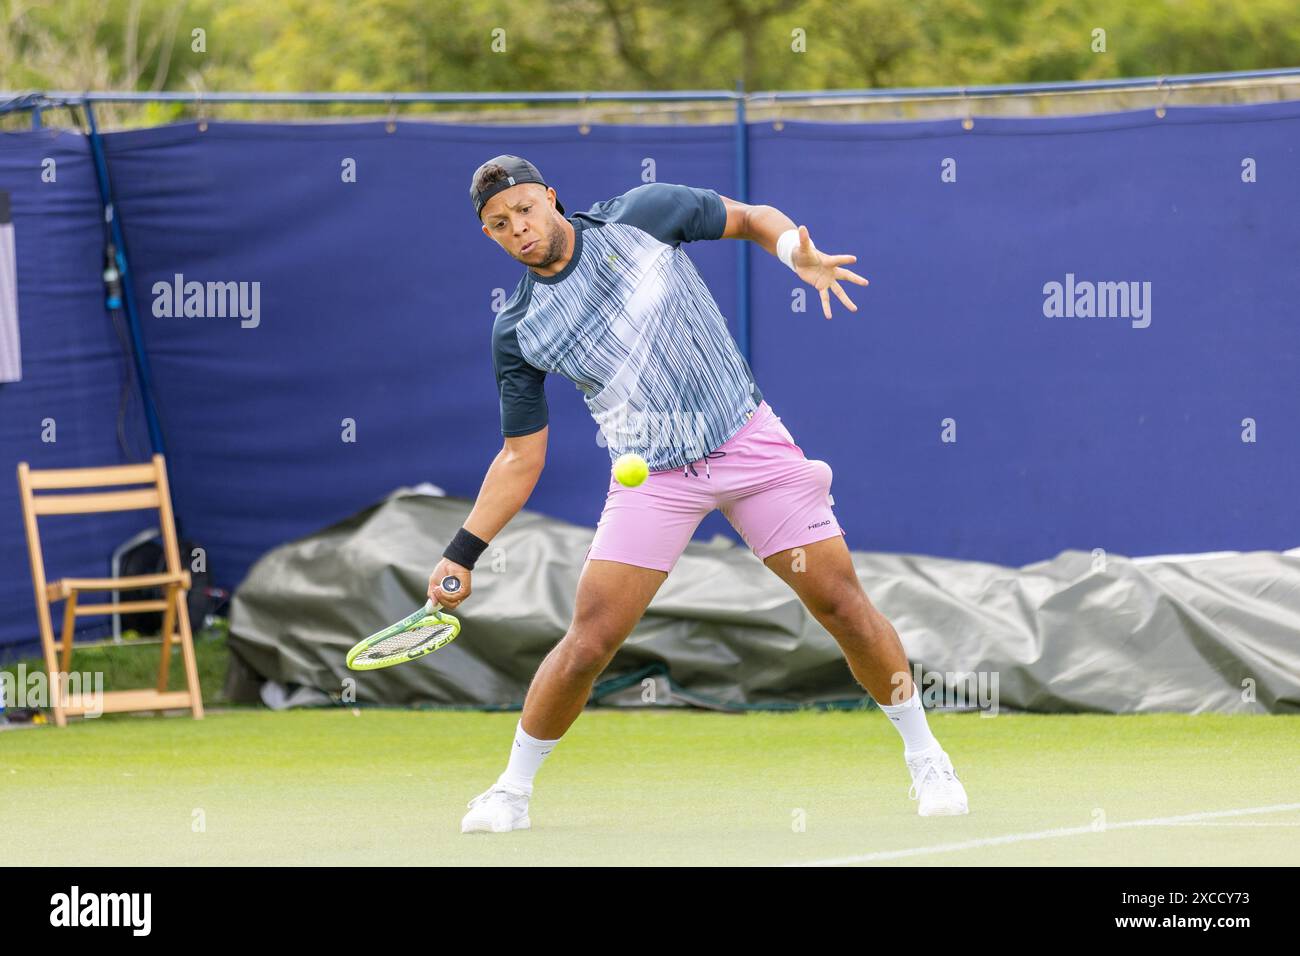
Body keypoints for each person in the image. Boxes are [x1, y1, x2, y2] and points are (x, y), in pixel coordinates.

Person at [430, 154, 968, 833]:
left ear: (551, 199)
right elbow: (519, 457)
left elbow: (746, 219)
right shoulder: (518, 330)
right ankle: (511, 790)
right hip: (651, 478)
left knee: (841, 604)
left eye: (526, 210)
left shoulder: (644, 214)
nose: (520, 229)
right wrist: (462, 552)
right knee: (591, 640)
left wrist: (792, 252)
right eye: (501, 225)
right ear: (491, 237)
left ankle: (929, 761)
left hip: (747, 442)